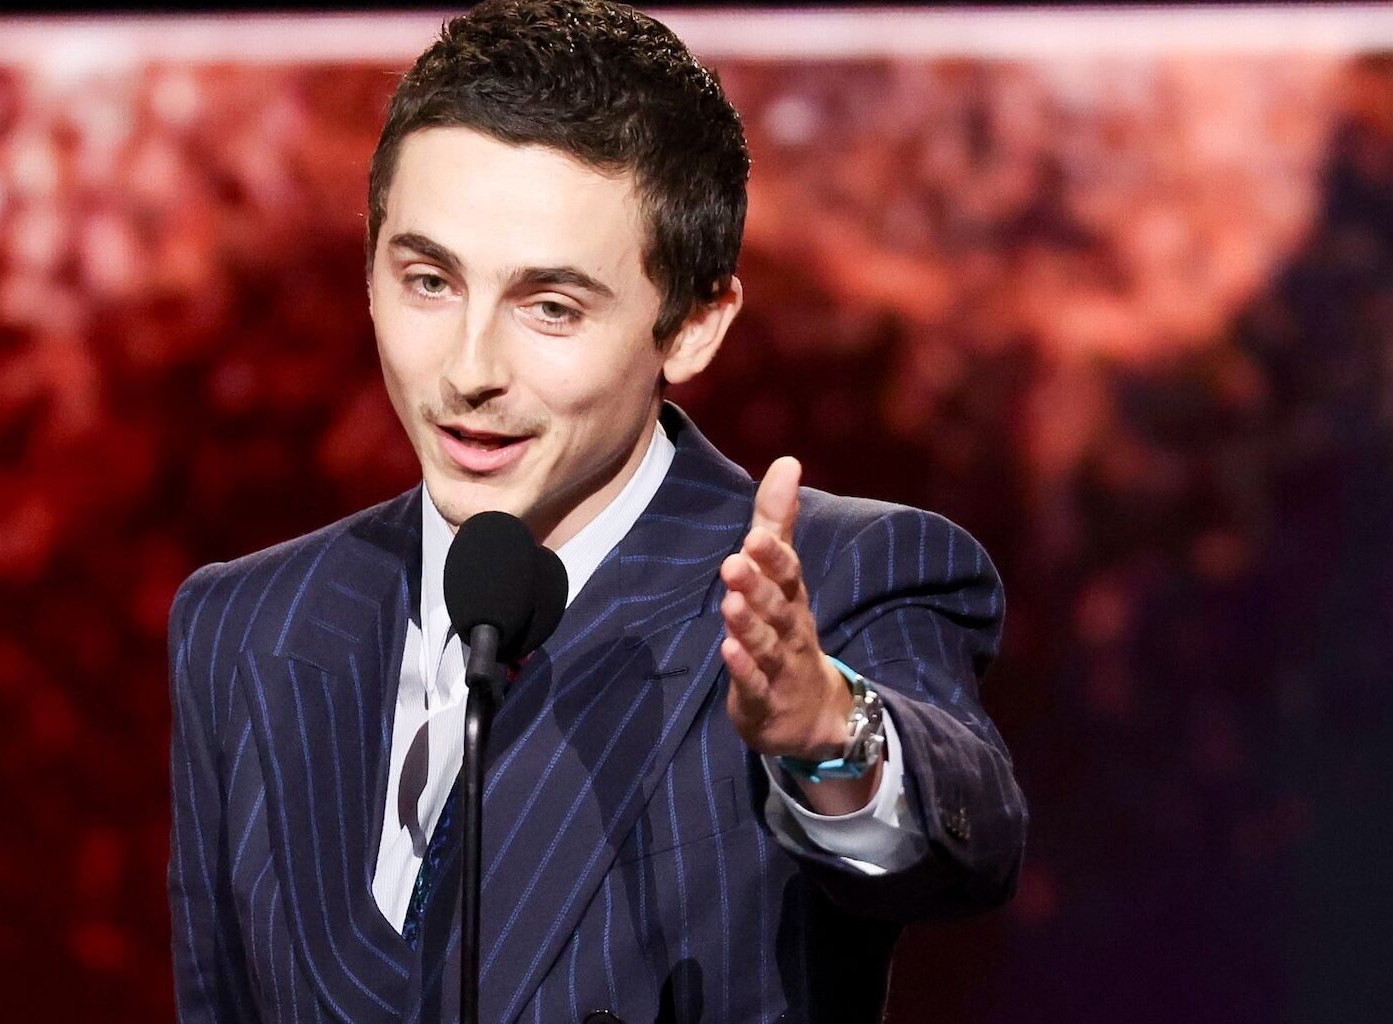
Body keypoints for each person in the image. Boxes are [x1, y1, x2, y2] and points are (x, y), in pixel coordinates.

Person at [166, 1, 1025, 1019]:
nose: (471, 369)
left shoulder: (836, 582)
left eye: (552, 307)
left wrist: (827, 733)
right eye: (430, 281)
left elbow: (964, 845)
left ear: (695, 325)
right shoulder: (242, 626)